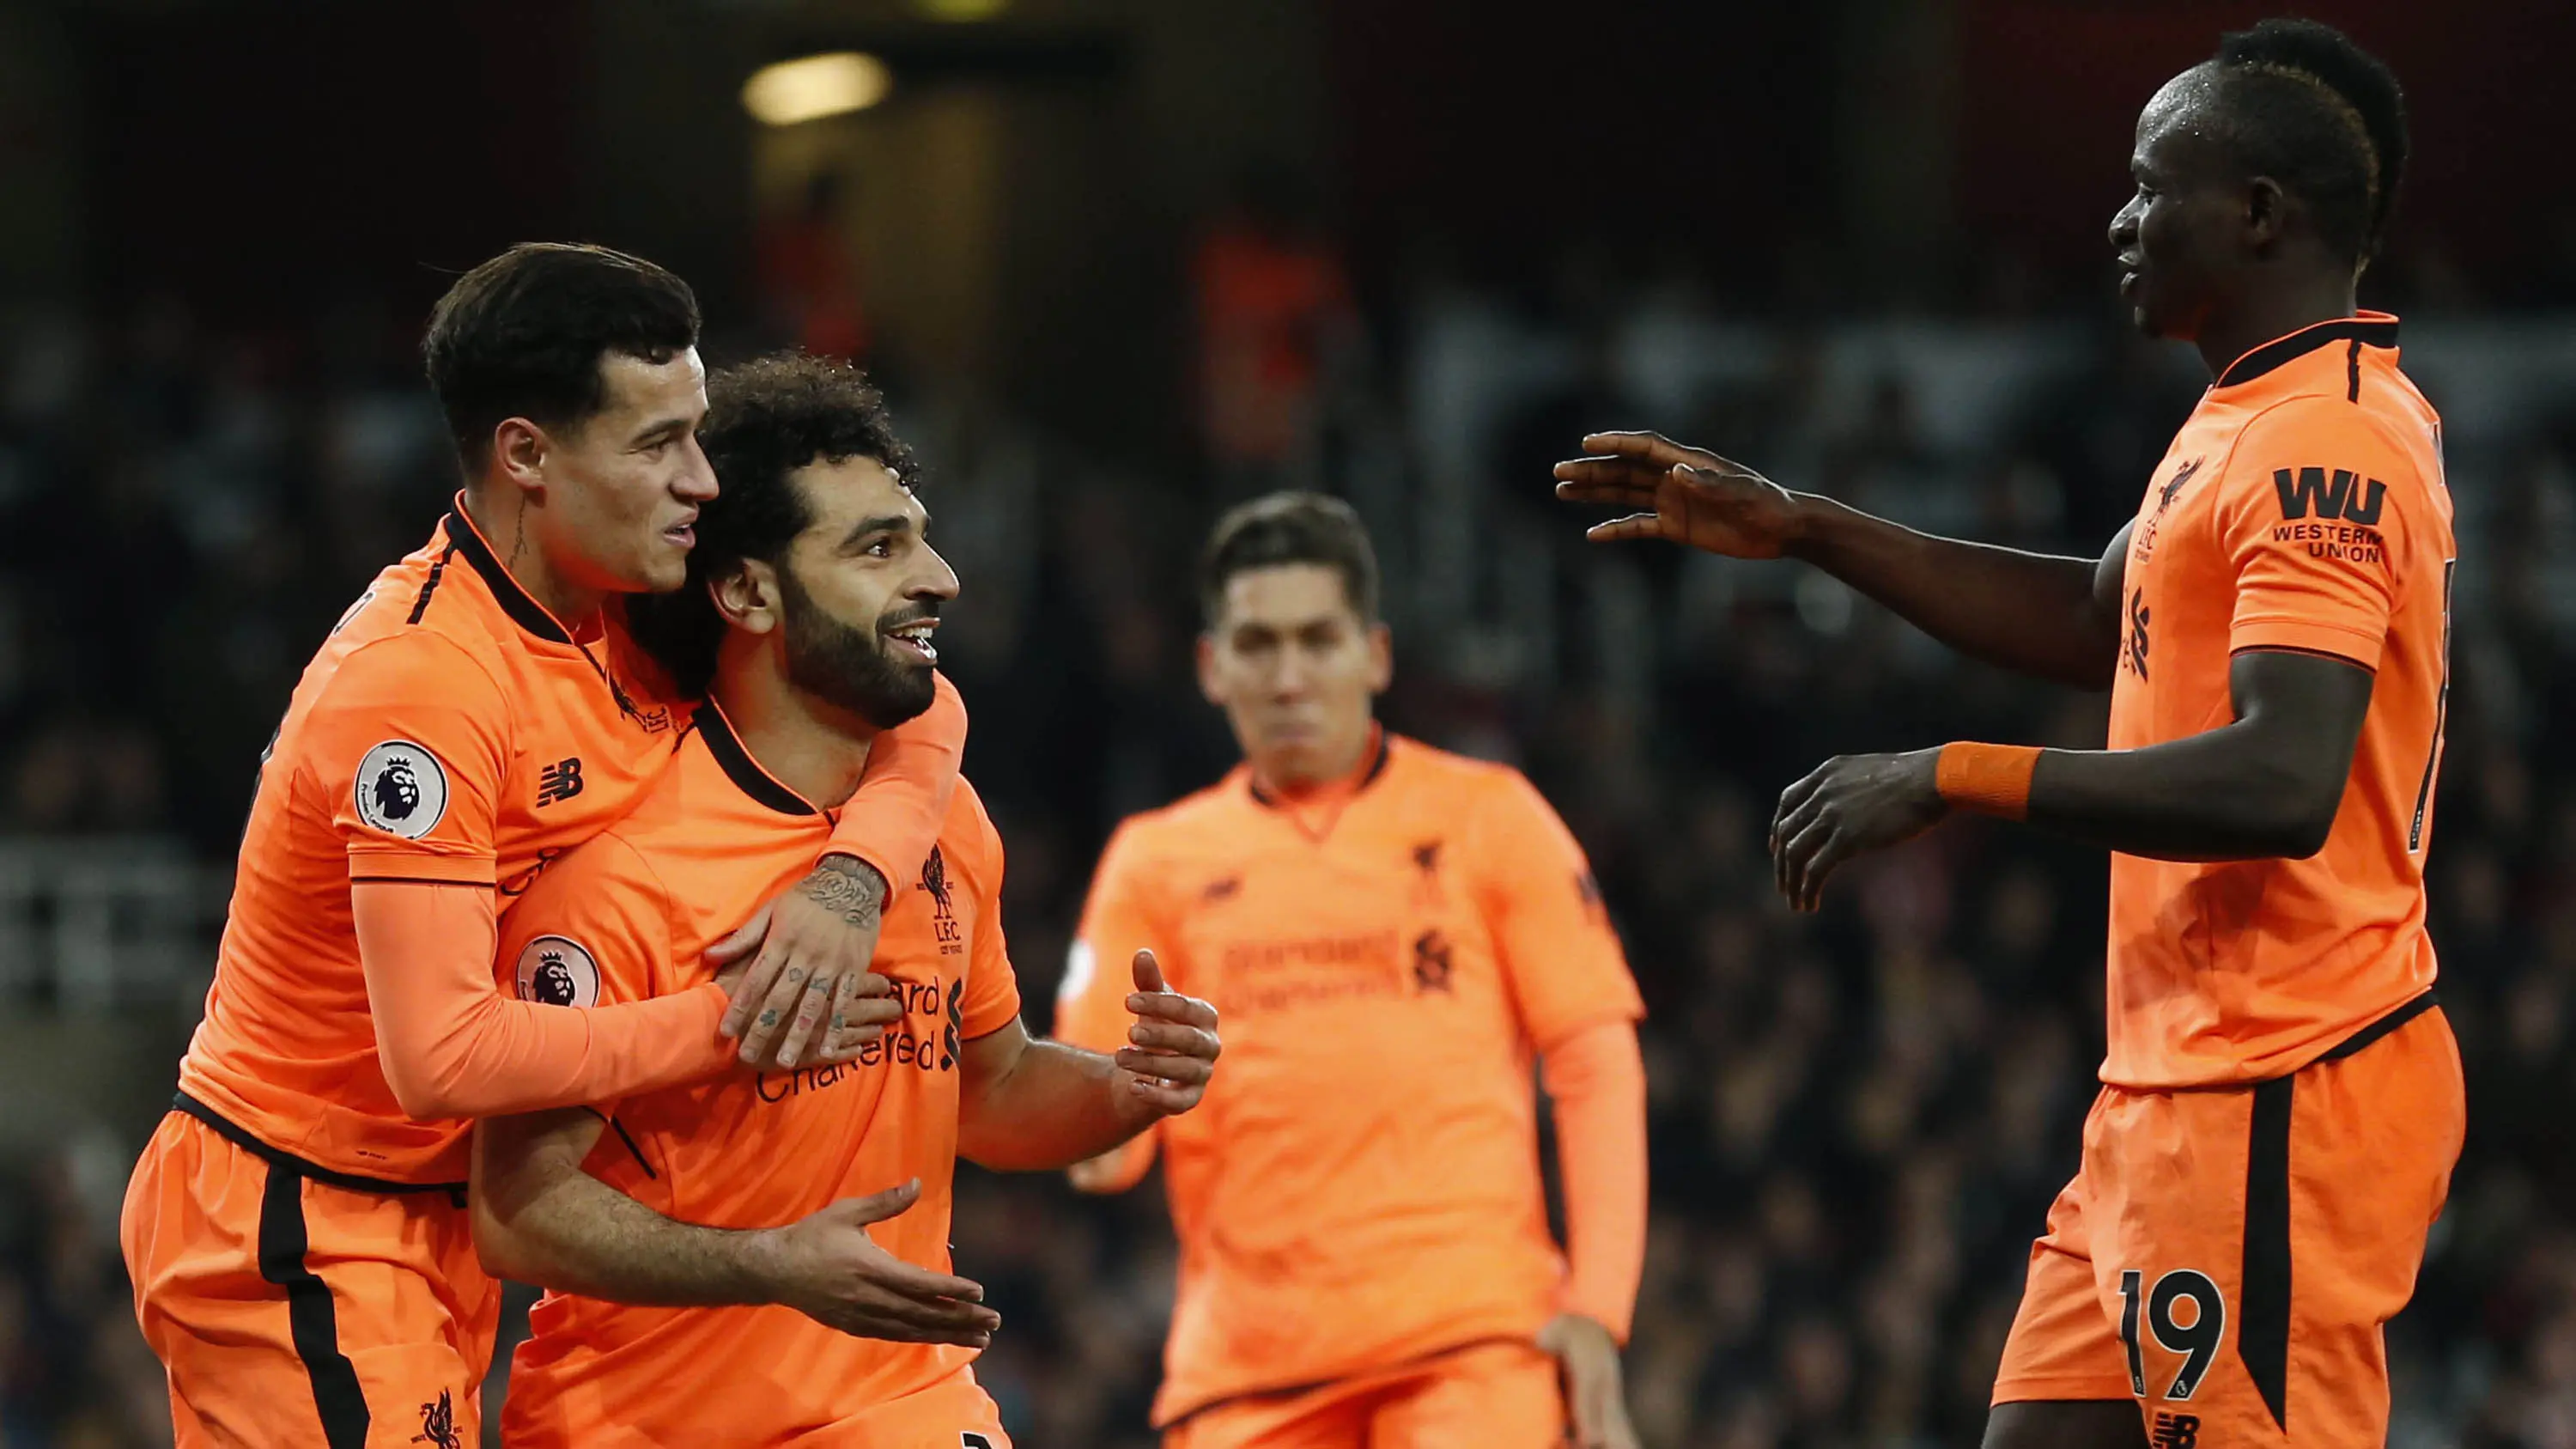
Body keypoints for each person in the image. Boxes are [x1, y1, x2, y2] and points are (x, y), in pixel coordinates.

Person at [1557, 20, 2457, 1449]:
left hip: (2279, 1084)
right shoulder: (2246, 416)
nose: (2118, 217)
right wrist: (1804, 526)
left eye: (2153, 184)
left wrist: (1950, 777)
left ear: (2261, 214)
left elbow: (2288, 779)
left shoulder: (2325, 443)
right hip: (2166, 1084)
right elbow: (2106, 624)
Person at [121, 245, 969, 1449]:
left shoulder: (627, 599)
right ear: (526, 454)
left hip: (449, 1217)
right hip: (302, 1209)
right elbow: (443, 1053)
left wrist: (849, 879)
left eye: (698, 432)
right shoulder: (424, 683)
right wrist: (741, 1022)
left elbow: (916, 696)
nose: (701, 481)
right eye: (655, 444)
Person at [468, 352, 1222, 1447]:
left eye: (916, 533)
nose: (940, 577)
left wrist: (1126, 1087)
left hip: (904, 1405)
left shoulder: (947, 825)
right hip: (644, 1423)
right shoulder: (619, 869)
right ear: (747, 590)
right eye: (878, 548)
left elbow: (993, 1088)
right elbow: (514, 1209)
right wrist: (762, 1268)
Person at [1057, 492, 1649, 1449]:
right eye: (1256, 645)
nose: (1289, 677)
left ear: (1374, 654)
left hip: (1475, 1350)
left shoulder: (1490, 817)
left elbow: (1594, 1063)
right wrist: (1098, 1118)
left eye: (1317, 639)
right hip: (1246, 1376)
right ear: (1213, 667)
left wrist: (1598, 1313)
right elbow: (1100, 1144)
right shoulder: (1153, 858)